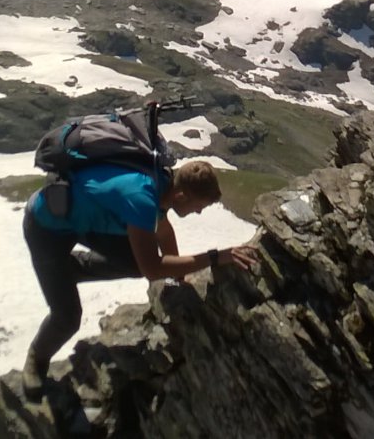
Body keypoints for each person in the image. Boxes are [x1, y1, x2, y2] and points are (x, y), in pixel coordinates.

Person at [21, 158, 258, 398]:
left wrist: (180, 277)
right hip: (45, 225)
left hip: (82, 220)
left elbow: (164, 233)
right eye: (199, 207)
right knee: (67, 318)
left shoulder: (161, 184)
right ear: (181, 196)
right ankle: (36, 358)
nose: (198, 212)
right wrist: (214, 257)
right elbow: (153, 269)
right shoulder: (142, 199)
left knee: (136, 261)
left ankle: (67, 270)